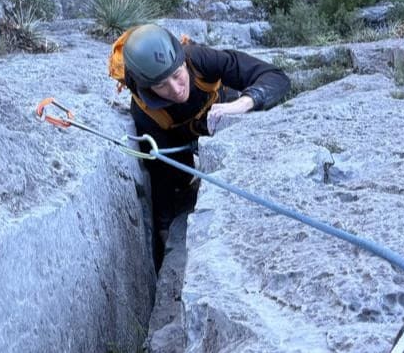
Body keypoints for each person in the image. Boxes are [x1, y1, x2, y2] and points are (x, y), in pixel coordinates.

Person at [108, 23, 290, 266]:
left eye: (176, 75)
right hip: (180, 140)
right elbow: (163, 175)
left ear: (183, 61)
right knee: (181, 182)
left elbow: (275, 77)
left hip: (227, 112)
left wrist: (245, 102)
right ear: (146, 87)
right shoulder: (146, 113)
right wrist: (164, 229)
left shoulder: (199, 59)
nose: (175, 89)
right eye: (161, 85)